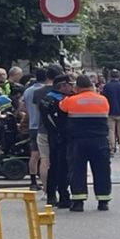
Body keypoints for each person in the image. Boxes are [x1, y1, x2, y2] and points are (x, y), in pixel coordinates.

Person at [58, 74, 113, 211]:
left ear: (77, 87)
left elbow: (61, 107)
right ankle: (103, 201)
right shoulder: (103, 100)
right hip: (99, 140)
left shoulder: (71, 100)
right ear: (91, 86)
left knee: (77, 170)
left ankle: (78, 202)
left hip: (78, 141)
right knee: (102, 170)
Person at [41, 70, 74, 208]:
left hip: (53, 136)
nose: (71, 88)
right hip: (61, 136)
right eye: (69, 85)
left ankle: (51, 195)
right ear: (62, 86)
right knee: (62, 167)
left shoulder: (46, 98)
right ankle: (63, 195)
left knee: (54, 166)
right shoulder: (58, 100)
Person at [21, 70, 52, 191]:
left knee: (34, 154)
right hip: (43, 126)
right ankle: (46, 181)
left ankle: (33, 181)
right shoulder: (44, 91)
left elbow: (23, 107)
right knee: (45, 157)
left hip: (32, 124)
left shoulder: (28, 90)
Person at [102, 68, 120, 155]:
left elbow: (104, 100)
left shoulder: (107, 87)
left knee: (111, 131)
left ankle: (111, 150)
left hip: (110, 112)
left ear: (110, 76)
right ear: (119, 76)